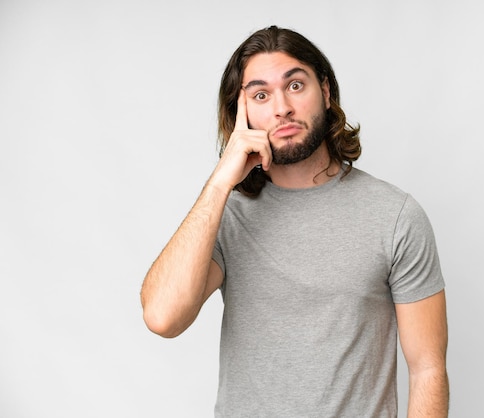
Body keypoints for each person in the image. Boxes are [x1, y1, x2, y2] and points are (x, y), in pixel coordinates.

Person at [140, 26, 449, 418]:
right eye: (260, 95)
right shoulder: (225, 216)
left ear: (326, 92)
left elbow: (428, 370)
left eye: (296, 86)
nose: (281, 107)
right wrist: (220, 182)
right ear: (243, 114)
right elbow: (162, 317)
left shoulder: (395, 216)